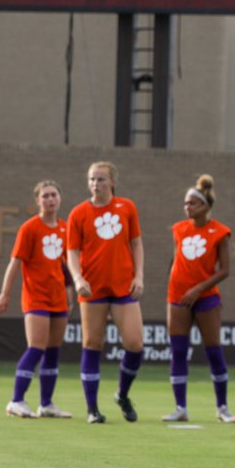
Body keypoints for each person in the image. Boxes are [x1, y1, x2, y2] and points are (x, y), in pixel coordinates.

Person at [66, 161, 146, 424]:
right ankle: (92, 409)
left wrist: (139, 275)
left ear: (112, 181)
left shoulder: (127, 207)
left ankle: (122, 394)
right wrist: (77, 279)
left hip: (123, 286)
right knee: (92, 344)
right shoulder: (78, 213)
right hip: (93, 289)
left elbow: (136, 243)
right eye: (91, 179)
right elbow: (72, 253)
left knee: (135, 344)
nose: (95, 184)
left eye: (100, 179)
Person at [0, 180, 74, 419]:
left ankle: (46, 404)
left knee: (53, 350)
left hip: (58, 298)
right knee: (36, 348)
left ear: (60, 198)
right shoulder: (29, 228)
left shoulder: (66, 228)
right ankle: (16, 400)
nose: (50, 199)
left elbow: (67, 266)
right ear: (38, 201)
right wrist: (5, 293)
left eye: (54, 195)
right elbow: (15, 262)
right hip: (36, 297)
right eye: (45, 196)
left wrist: (72, 294)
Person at [164, 175, 235, 423]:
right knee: (178, 351)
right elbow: (177, 261)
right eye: (186, 203)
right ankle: (180, 408)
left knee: (213, 351)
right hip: (177, 297)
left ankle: (222, 408)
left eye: (193, 203)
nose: (188, 207)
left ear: (205, 206)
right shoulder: (179, 229)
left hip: (206, 298)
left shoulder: (220, 232)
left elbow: (225, 270)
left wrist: (198, 289)